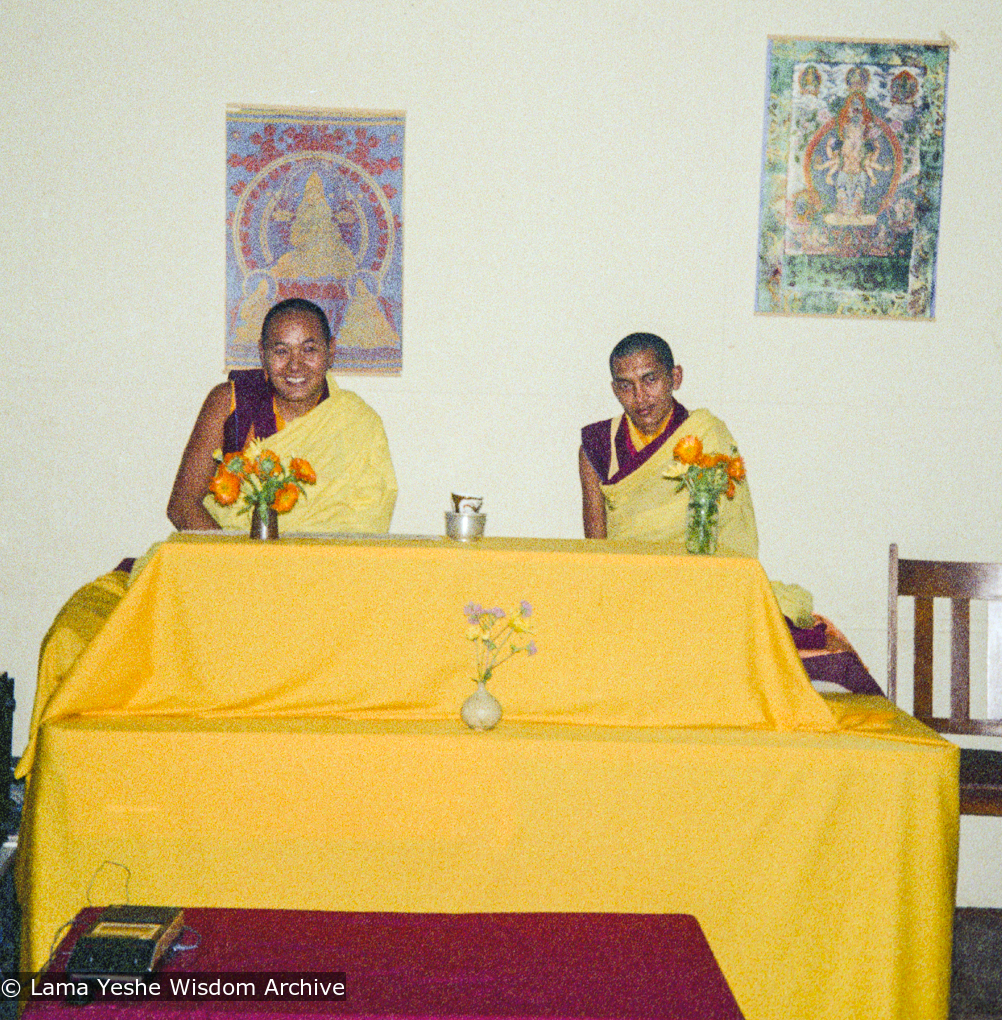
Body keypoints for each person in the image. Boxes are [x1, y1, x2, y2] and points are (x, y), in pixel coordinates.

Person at [168, 297, 396, 533]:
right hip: (229, 552)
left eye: (309, 349)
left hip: (325, 556)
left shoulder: (356, 420)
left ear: (331, 351)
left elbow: (366, 517)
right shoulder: (231, 402)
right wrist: (237, 555)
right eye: (281, 351)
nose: (295, 365)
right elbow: (183, 505)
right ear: (262, 353)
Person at [578, 332, 758, 556]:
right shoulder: (599, 443)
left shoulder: (706, 433)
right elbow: (596, 550)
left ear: (675, 377)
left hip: (695, 572)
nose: (639, 396)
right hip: (625, 571)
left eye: (650, 380)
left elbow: (731, 525)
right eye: (626, 386)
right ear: (615, 390)